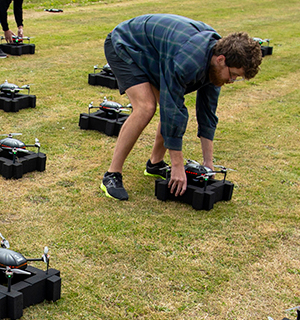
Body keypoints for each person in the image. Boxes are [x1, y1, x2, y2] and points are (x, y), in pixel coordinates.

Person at [98, 14, 264, 201]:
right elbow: (172, 108)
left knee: (166, 107)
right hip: (125, 44)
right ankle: (112, 175)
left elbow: (207, 113)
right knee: (146, 107)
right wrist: (177, 164)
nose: (232, 81)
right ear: (221, 59)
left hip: (156, 53)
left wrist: (208, 163)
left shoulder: (214, 63)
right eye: (233, 74)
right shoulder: (188, 61)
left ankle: (155, 164)